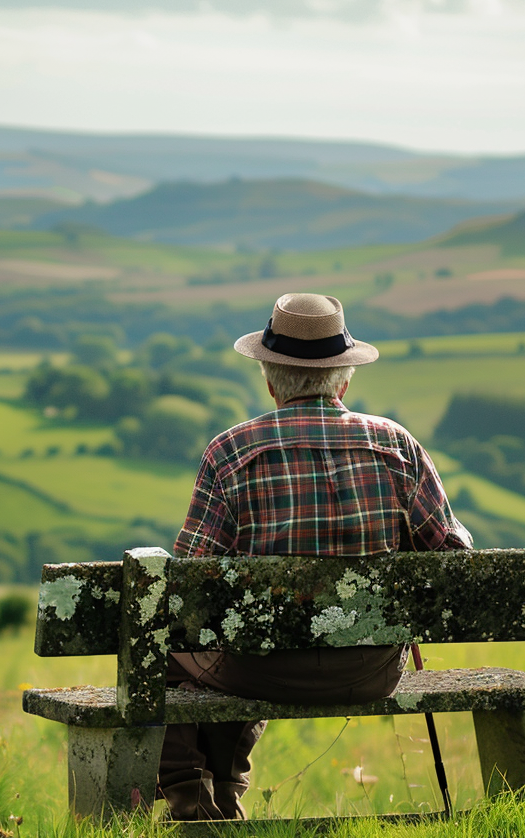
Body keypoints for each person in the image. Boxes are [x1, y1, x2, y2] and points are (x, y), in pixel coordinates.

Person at [158, 292, 472, 821]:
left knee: (168, 647)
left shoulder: (231, 451)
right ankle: (218, 793)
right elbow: (454, 556)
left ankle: (198, 798)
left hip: (261, 671)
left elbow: (187, 584)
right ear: (343, 379)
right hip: (373, 668)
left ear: (268, 378)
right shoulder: (396, 445)